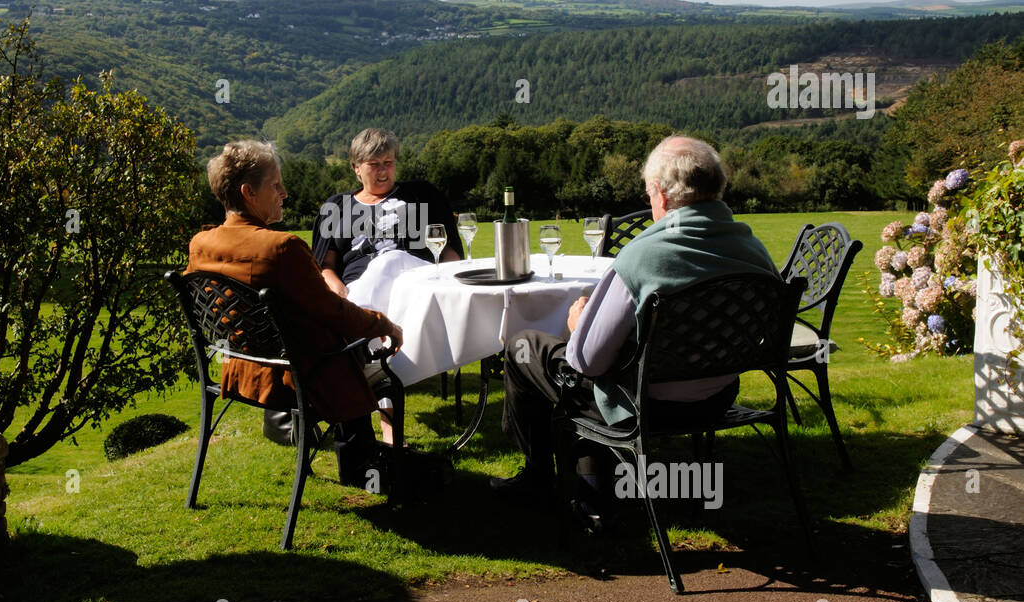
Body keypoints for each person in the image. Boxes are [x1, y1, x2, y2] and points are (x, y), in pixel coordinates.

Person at [492, 136, 780, 523]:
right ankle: (595, 485)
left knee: (524, 346)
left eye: (648, 194)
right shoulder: (754, 250)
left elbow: (588, 364)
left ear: (660, 194)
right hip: (718, 396)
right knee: (604, 362)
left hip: (646, 407)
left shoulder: (643, 257)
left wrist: (578, 327)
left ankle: (543, 479)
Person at [186, 140, 403, 459]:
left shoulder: (200, 244)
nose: (284, 193)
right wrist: (383, 324)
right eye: (275, 185)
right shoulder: (281, 248)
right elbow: (334, 312)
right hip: (296, 379)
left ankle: (356, 456)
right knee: (370, 364)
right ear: (249, 193)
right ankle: (369, 460)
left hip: (241, 372)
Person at [311, 128, 462, 306]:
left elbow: (447, 250)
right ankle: (365, 320)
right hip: (356, 288)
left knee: (390, 259)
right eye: (374, 164)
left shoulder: (421, 194)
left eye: (388, 162)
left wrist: (444, 287)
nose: (383, 171)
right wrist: (339, 290)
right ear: (356, 168)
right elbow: (323, 266)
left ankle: (360, 323)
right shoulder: (335, 207)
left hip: (415, 283)